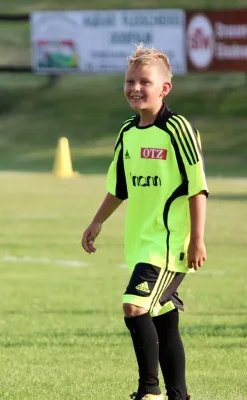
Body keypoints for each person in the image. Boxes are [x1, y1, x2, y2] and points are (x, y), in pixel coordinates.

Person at [81, 43, 208, 400]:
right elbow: (119, 186)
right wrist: (97, 222)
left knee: (134, 305)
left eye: (144, 81)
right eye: (129, 81)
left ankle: (148, 392)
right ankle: (178, 395)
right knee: (164, 320)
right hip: (141, 243)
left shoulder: (179, 129)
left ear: (164, 88)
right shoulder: (128, 132)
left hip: (170, 244)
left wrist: (197, 239)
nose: (135, 88)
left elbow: (197, 188)